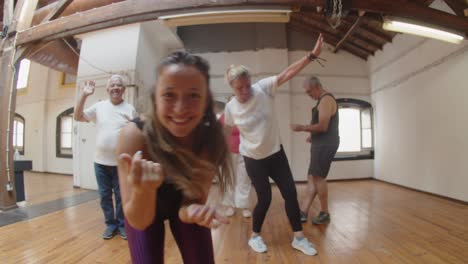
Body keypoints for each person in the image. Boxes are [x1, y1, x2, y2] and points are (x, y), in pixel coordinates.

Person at [116, 51, 233, 264]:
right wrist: (143, 191)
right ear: (155, 98)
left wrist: (194, 210)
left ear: (206, 101)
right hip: (142, 210)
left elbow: (190, 205)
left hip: (184, 206)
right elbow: (138, 222)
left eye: (193, 95)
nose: (180, 109)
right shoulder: (134, 136)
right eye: (169, 95)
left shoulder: (210, 140)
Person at [223, 34, 324, 256]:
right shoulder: (230, 108)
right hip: (252, 159)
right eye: (239, 88)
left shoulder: (263, 88)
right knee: (265, 198)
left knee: (290, 193)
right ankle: (255, 236)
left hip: (276, 155)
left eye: (247, 85)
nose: (245, 91)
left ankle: (299, 238)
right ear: (232, 87)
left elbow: (287, 73)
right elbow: (226, 129)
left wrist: (311, 56)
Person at [74, 74, 137, 240]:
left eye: (119, 85)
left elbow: (136, 134)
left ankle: (123, 225)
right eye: (113, 85)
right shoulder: (99, 106)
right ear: (108, 89)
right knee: (104, 197)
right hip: (100, 163)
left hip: (121, 164)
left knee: (121, 196)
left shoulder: (130, 109)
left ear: (123, 90)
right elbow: (77, 116)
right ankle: (111, 225)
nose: (115, 88)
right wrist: (84, 95)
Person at [290, 76, 339, 225]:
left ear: (317, 87)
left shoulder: (326, 100)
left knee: (318, 177)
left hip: (325, 145)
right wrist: (313, 136)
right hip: (321, 143)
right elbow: (325, 126)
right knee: (312, 177)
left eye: (309, 91)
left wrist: (303, 128)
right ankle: (303, 211)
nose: (308, 94)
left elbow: (323, 126)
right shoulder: (321, 100)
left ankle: (325, 213)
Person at [218, 98, 252, 218]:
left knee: (244, 179)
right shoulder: (223, 117)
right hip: (228, 152)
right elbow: (220, 134)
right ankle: (230, 206)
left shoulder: (246, 115)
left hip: (245, 151)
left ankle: (245, 206)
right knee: (229, 179)